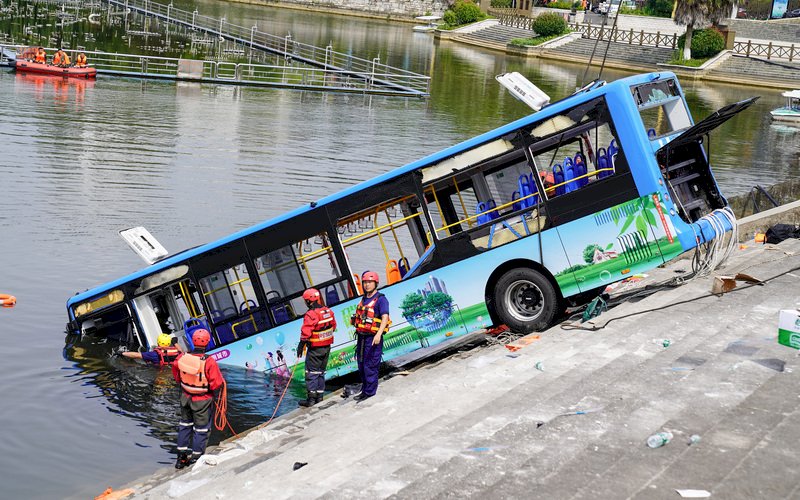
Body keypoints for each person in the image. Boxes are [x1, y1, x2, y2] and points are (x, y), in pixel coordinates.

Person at [171, 329, 225, 469]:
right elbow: (216, 383)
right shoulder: (209, 361)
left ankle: (181, 457)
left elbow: (176, 373)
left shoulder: (182, 357)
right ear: (207, 342)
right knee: (201, 430)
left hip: (185, 397)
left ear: (191, 341)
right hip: (202, 400)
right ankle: (196, 458)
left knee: (185, 425)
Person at [350, 271, 390, 402]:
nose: (367, 285)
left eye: (369, 282)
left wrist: (378, 334)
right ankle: (365, 390)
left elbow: (384, 318)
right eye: (365, 282)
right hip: (362, 337)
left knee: (370, 365)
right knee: (361, 365)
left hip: (372, 337)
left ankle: (370, 392)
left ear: (375, 283)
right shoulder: (363, 299)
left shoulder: (381, 299)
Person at [296, 288, 337, 407]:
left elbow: (306, 332)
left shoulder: (311, 314)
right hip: (327, 347)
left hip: (315, 349)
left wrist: (301, 346)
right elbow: (333, 326)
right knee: (320, 372)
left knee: (311, 373)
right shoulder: (328, 311)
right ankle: (320, 397)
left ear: (308, 301)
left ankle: (311, 400)